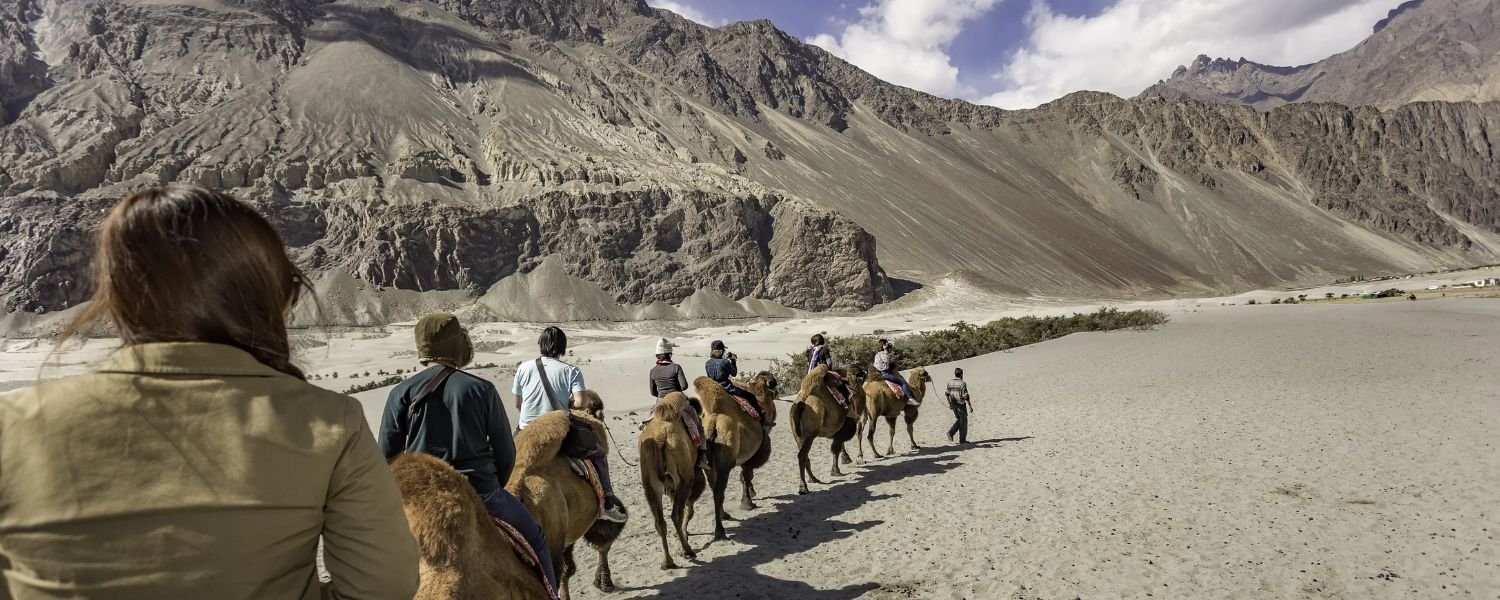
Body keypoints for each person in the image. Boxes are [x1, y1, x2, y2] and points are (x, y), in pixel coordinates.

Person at [0, 185, 418, 600]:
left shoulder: (13, 423)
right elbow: (382, 587)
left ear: (118, 295)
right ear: (271, 299)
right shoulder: (328, 422)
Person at [379, 313, 557, 598]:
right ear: (456, 346)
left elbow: (386, 456)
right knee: (535, 536)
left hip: (421, 500)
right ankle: (552, 594)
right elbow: (505, 451)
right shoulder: (481, 389)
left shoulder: (401, 392)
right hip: (482, 491)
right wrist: (491, 486)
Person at [512, 326, 628, 523]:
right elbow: (581, 403)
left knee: (503, 457)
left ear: (541, 345)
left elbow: (517, 403)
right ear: (562, 348)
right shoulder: (570, 371)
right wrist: (565, 403)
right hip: (557, 430)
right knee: (598, 454)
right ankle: (607, 503)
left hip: (526, 429)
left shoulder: (523, 368)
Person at [645, 338, 709, 470]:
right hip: (678, 402)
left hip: (660, 402)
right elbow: (684, 386)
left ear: (657, 356)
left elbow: (653, 392)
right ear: (670, 354)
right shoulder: (676, 367)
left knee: (647, 423)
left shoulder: (653, 371)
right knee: (697, 424)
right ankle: (702, 455)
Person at [705, 340, 767, 424]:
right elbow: (734, 374)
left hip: (713, 389)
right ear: (722, 351)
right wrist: (733, 361)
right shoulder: (725, 362)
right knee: (751, 396)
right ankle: (761, 419)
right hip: (727, 388)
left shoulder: (708, 363)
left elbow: (709, 377)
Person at [874, 338, 920, 407]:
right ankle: (910, 399)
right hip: (885, 373)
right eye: (886, 344)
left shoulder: (877, 355)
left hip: (880, 373)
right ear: (883, 345)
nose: (888, 345)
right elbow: (886, 361)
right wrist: (886, 350)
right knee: (902, 382)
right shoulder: (882, 354)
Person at [806, 333, 850, 401]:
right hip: (823, 373)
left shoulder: (810, 351)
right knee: (839, 382)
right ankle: (846, 400)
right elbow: (829, 362)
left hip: (811, 374)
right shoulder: (824, 349)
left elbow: (808, 364)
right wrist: (830, 370)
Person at [946, 368, 975, 444]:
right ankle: (962, 440)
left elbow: (947, 394)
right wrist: (970, 406)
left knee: (959, 420)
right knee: (964, 422)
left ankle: (951, 433)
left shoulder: (950, 382)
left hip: (954, 405)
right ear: (961, 374)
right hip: (960, 405)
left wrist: (950, 404)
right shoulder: (962, 383)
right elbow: (966, 396)